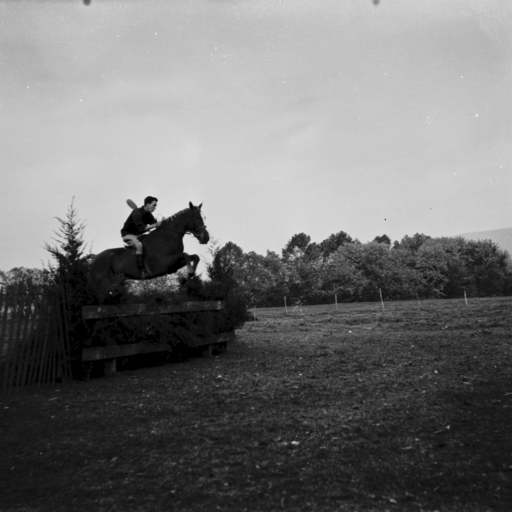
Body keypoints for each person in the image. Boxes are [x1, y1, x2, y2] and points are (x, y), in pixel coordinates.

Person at [121, 196, 161, 276]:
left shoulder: (148, 214)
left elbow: (155, 224)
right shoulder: (136, 213)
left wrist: (164, 222)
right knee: (139, 245)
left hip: (138, 235)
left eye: (155, 206)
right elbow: (142, 229)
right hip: (128, 235)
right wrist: (155, 225)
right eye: (154, 205)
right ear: (147, 204)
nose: (155, 208)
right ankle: (141, 270)